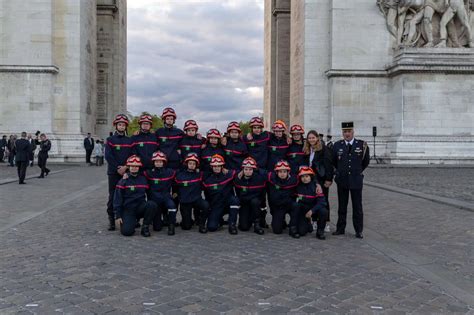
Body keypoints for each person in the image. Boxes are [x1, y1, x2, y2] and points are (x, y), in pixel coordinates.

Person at [332, 122, 370, 239]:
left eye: (349, 132)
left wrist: (356, 171)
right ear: (342, 133)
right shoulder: (337, 145)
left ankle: (358, 230)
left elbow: (365, 161)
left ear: (353, 132)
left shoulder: (362, 145)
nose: (347, 134)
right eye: (344, 132)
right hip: (342, 180)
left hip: (356, 180)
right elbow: (334, 161)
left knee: (357, 206)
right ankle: (340, 228)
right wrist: (340, 172)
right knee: (342, 206)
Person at [113, 155, 157, 237]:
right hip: (128, 209)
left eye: (136, 166)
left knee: (152, 205)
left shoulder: (143, 179)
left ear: (139, 167)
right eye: (132, 166)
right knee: (127, 232)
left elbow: (150, 193)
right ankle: (133, 221)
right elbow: (117, 199)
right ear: (128, 167)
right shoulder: (123, 181)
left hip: (140, 207)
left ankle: (145, 227)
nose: (134, 168)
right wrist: (118, 215)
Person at [105, 114, 133, 231]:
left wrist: (126, 167)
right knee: (113, 196)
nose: (121, 127)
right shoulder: (110, 140)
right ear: (116, 126)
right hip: (113, 172)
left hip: (127, 172)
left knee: (127, 196)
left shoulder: (130, 140)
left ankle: (126, 218)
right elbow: (108, 156)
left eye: (123, 125)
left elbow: (133, 155)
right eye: (119, 124)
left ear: (126, 127)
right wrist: (118, 168)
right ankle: (112, 219)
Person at [304, 130, 333, 233]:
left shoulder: (324, 149)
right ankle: (315, 221)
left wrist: (329, 179)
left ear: (317, 138)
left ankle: (326, 223)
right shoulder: (307, 149)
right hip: (311, 179)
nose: (311, 139)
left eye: (313, 137)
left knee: (324, 200)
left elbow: (328, 164)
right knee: (313, 200)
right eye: (309, 138)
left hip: (322, 178)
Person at [203, 154, 240, 234]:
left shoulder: (228, 174)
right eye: (215, 166)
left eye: (219, 166)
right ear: (211, 167)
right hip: (217, 205)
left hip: (228, 202)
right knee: (211, 227)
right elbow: (207, 196)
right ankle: (219, 220)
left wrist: (229, 171)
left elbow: (240, 172)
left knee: (235, 200)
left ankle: (232, 224)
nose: (216, 168)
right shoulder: (208, 181)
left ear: (222, 166)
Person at [174, 153, 209, 233]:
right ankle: (186, 221)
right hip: (185, 202)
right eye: (190, 163)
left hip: (196, 200)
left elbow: (211, 171)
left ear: (196, 165)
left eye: (194, 164)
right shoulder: (180, 175)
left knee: (206, 205)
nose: (192, 165)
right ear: (186, 164)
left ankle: (202, 224)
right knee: (186, 227)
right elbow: (175, 186)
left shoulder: (200, 174)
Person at [144, 151, 177, 235]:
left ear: (164, 162)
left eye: (160, 161)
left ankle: (171, 225)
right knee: (157, 228)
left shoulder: (170, 172)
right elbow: (136, 174)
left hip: (166, 197)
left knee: (172, 206)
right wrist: (127, 174)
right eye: (156, 161)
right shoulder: (148, 173)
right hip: (155, 200)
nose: (158, 163)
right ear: (153, 162)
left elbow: (177, 181)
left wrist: (175, 192)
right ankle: (159, 220)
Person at [292, 166, 328, 240]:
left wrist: (312, 211)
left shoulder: (317, 187)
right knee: (302, 232)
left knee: (324, 211)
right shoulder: (297, 187)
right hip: (303, 210)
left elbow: (322, 202)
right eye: (302, 177)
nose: (304, 178)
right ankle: (307, 223)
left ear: (311, 177)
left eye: (307, 176)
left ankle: (320, 232)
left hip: (313, 209)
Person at [234, 157, 265, 235]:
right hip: (244, 203)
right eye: (246, 169)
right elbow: (238, 193)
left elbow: (262, 195)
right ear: (242, 170)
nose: (248, 171)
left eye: (250, 169)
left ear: (254, 170)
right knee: (244, 227)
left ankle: (257, 224)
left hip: (255, 203)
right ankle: (249, 218)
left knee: (255, 202)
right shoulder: (238, 179)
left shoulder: (259, 179)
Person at [266, 160, 298, 234]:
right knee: (277, 231)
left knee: (296, 206)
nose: (282, 174)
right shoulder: (272, 178)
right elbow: (260, 172)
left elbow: (308, 177)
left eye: (284, 172)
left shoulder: (294, 179)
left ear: (288, 172)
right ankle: (281, 221)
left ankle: (293, 226)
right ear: (276, 172)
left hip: (289, 205)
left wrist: (317, 185)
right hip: (279, 206)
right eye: (280, 172)